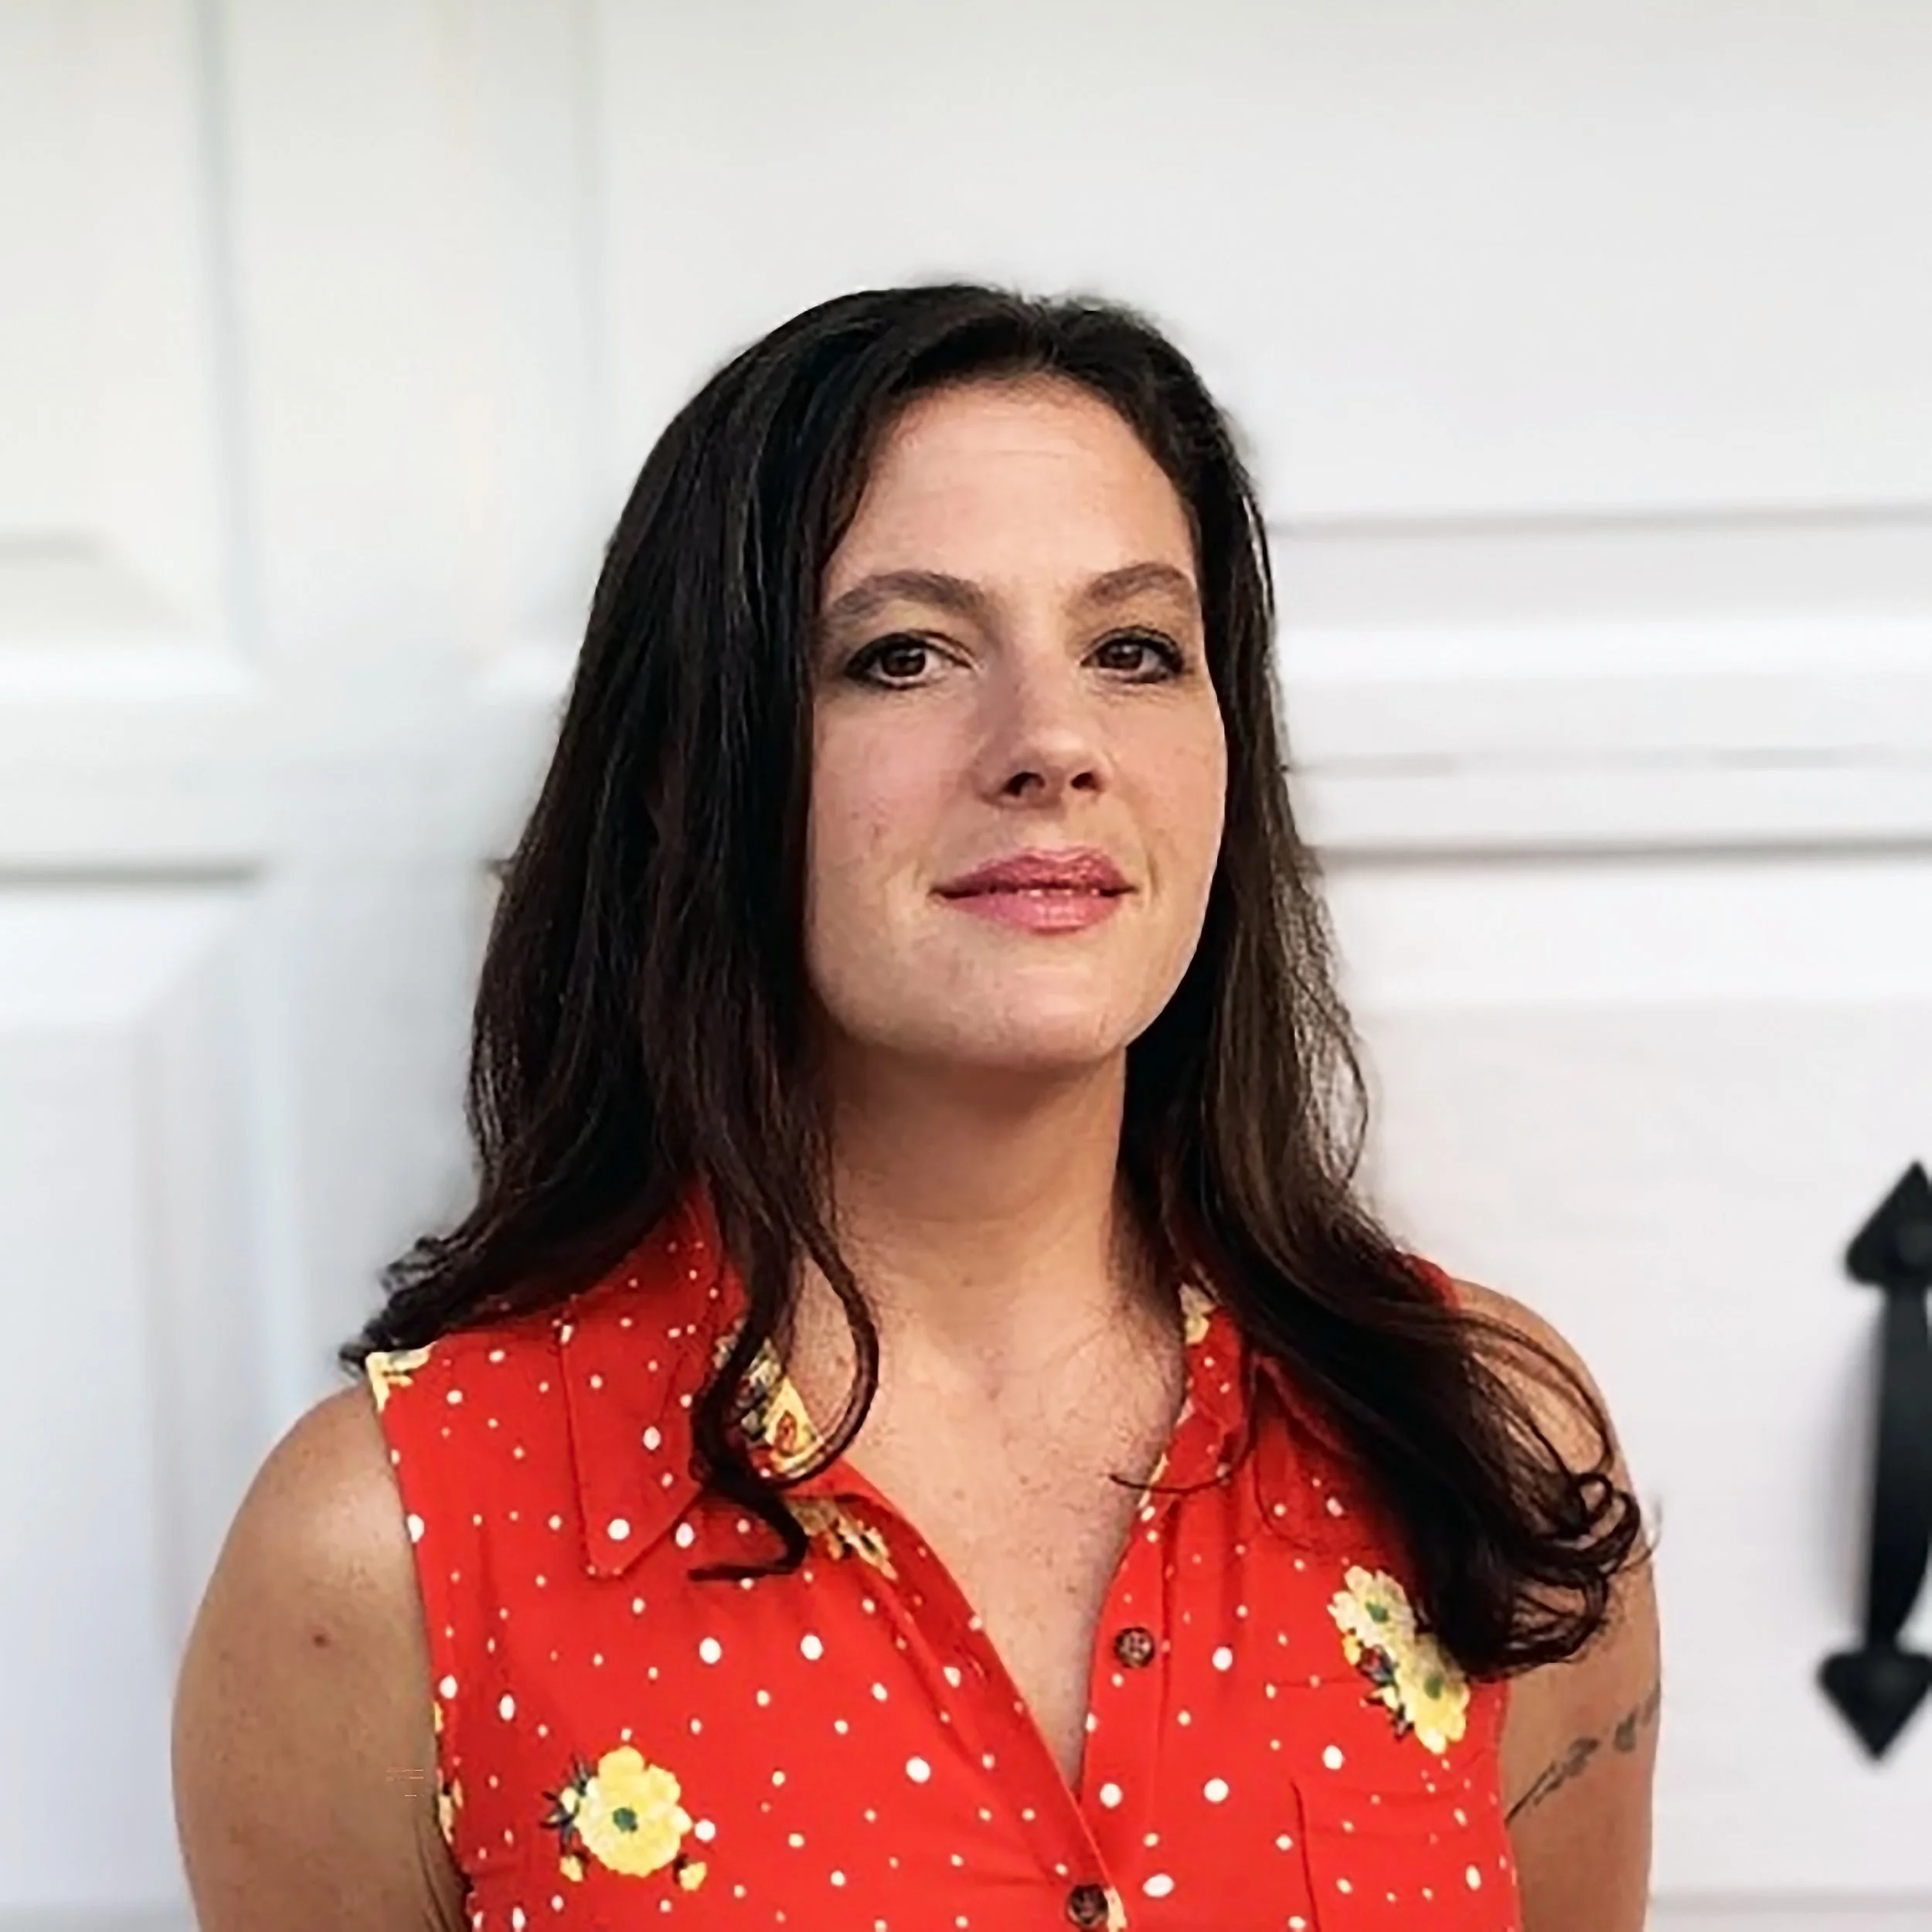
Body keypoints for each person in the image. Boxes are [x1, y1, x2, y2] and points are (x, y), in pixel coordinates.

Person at [172, 285, 1656, 1930]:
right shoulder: (385, 1548)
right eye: (903, 654)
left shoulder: (1484, 1453)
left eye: (1134, 649)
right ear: (693, 769)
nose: (1051, 742)